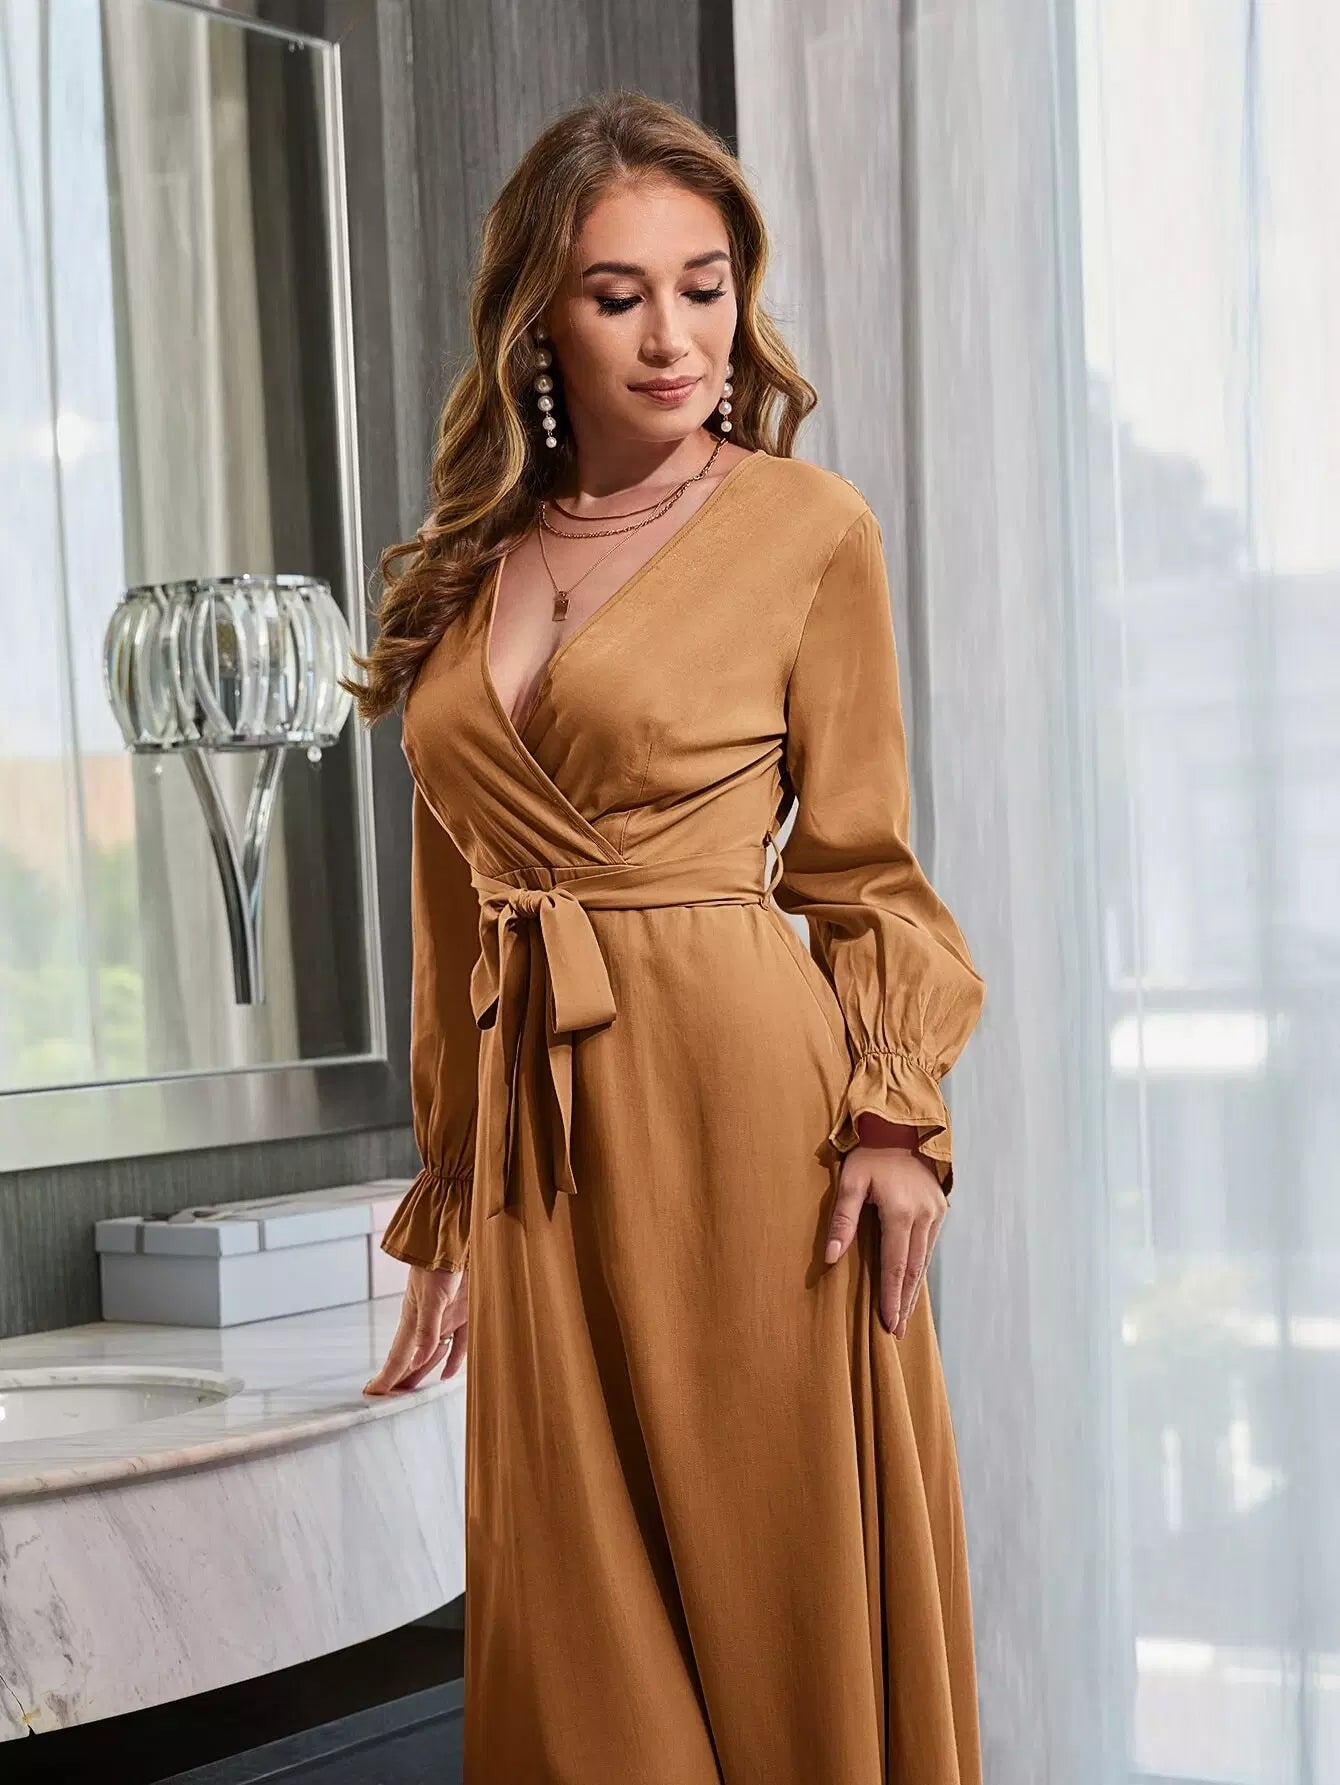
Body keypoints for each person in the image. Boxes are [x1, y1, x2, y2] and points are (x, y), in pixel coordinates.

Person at [347, 88, 987, 1785]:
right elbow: (452, 915)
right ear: (537, 321)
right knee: (584, 1662)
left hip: (748, 1126)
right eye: (618, 294)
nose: (674, 338)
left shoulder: (807, 529)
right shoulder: (468, 567)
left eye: (704, 288)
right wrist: (444, 1199)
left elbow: (864, 868)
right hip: (540, 1160)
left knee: (777, 1609)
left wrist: (897, 1118)